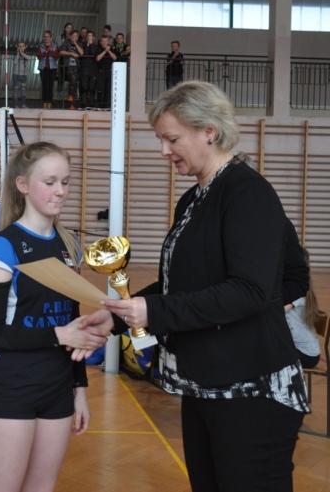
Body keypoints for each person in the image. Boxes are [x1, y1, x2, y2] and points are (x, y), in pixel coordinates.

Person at [81, 81, 310, 492]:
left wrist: (259, 310)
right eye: (161, 140)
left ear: (209, 131)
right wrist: (117, 317)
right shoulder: (192, 200)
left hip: (250, 389)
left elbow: (260, 287)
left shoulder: (247, 193)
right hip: (204, 382)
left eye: (172, 139)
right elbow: (179, 284)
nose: (163, 150)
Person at [0, 142, 107, 492]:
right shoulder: (3, 246)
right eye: (49, 182)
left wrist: (79, 389)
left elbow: (74, 321)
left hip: (58, 387)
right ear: (22, 185)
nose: (60, 191)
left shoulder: (68, 245)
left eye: (65, 182)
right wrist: (58, 335)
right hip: (12, 386)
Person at [284, 246, 321, 370]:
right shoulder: (298, 288)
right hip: (297, 349)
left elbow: (278, 310)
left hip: (306, 354)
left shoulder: (299, 291)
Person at [37, 30, 59, 110]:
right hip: (43, 68)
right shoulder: (40, 46)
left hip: (52, 68)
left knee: (50, 86)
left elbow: (56, 57)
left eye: (48, 36)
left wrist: (51, 51)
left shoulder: (55, 46)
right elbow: (39, 57)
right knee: (44, 85)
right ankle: (44, 103)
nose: (46, 38)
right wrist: (46, 52)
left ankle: (49, 102)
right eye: (45, 37)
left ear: (51, 37)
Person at [60, 31, 83, 107]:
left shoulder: (79, 43)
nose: (74, 37)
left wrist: (75, 43)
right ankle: (71, 98)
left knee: (74, 82)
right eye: (73, 36)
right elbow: (61, 52)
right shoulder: (66, 42)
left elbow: (81, 53)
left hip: (77, 66)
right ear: (70, 36)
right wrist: (71, 53)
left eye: (76, 36)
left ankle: (71, 98)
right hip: (68, 66)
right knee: (73, 80)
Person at [96, 35, 117, 109]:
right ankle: (99, 105)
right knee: (100, 89)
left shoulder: (111, 49)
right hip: (100, 72)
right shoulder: (98, 48)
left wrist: (108, 51)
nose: (104, 43)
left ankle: (106, 105)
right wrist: (105, 51)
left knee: (107, 89)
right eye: (103, 41)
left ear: (108, 42)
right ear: (100, 42)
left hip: (109, 72)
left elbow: (114, 58)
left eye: (106, 41)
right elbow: (98, 58)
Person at [80, 31, 99, 109]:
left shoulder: (96, 45)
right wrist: (88, 45)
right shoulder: (83, 45)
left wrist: (91, 44)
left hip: (93, 69)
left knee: (92, 87)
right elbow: (85, 54)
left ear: (94, 37)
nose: (89, 37)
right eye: (88, 36)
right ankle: (83, 104)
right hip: (85, 69)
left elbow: (93, 53)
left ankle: (91, 104)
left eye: (91, 36)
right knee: (84, 86)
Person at [12, 42, 30, 108]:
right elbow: (15, 62)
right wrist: (18, 53)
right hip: (16, 75)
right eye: (19, 46)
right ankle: (16, 105)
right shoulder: (15, 54)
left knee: (23, 90)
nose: (21, 48)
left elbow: (29, 58)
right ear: (17, 47)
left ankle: (23, 105)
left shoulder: (26, 54)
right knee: (15, 90)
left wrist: (22, 53)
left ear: (25, 47)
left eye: (22, 46)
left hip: (24, 75)